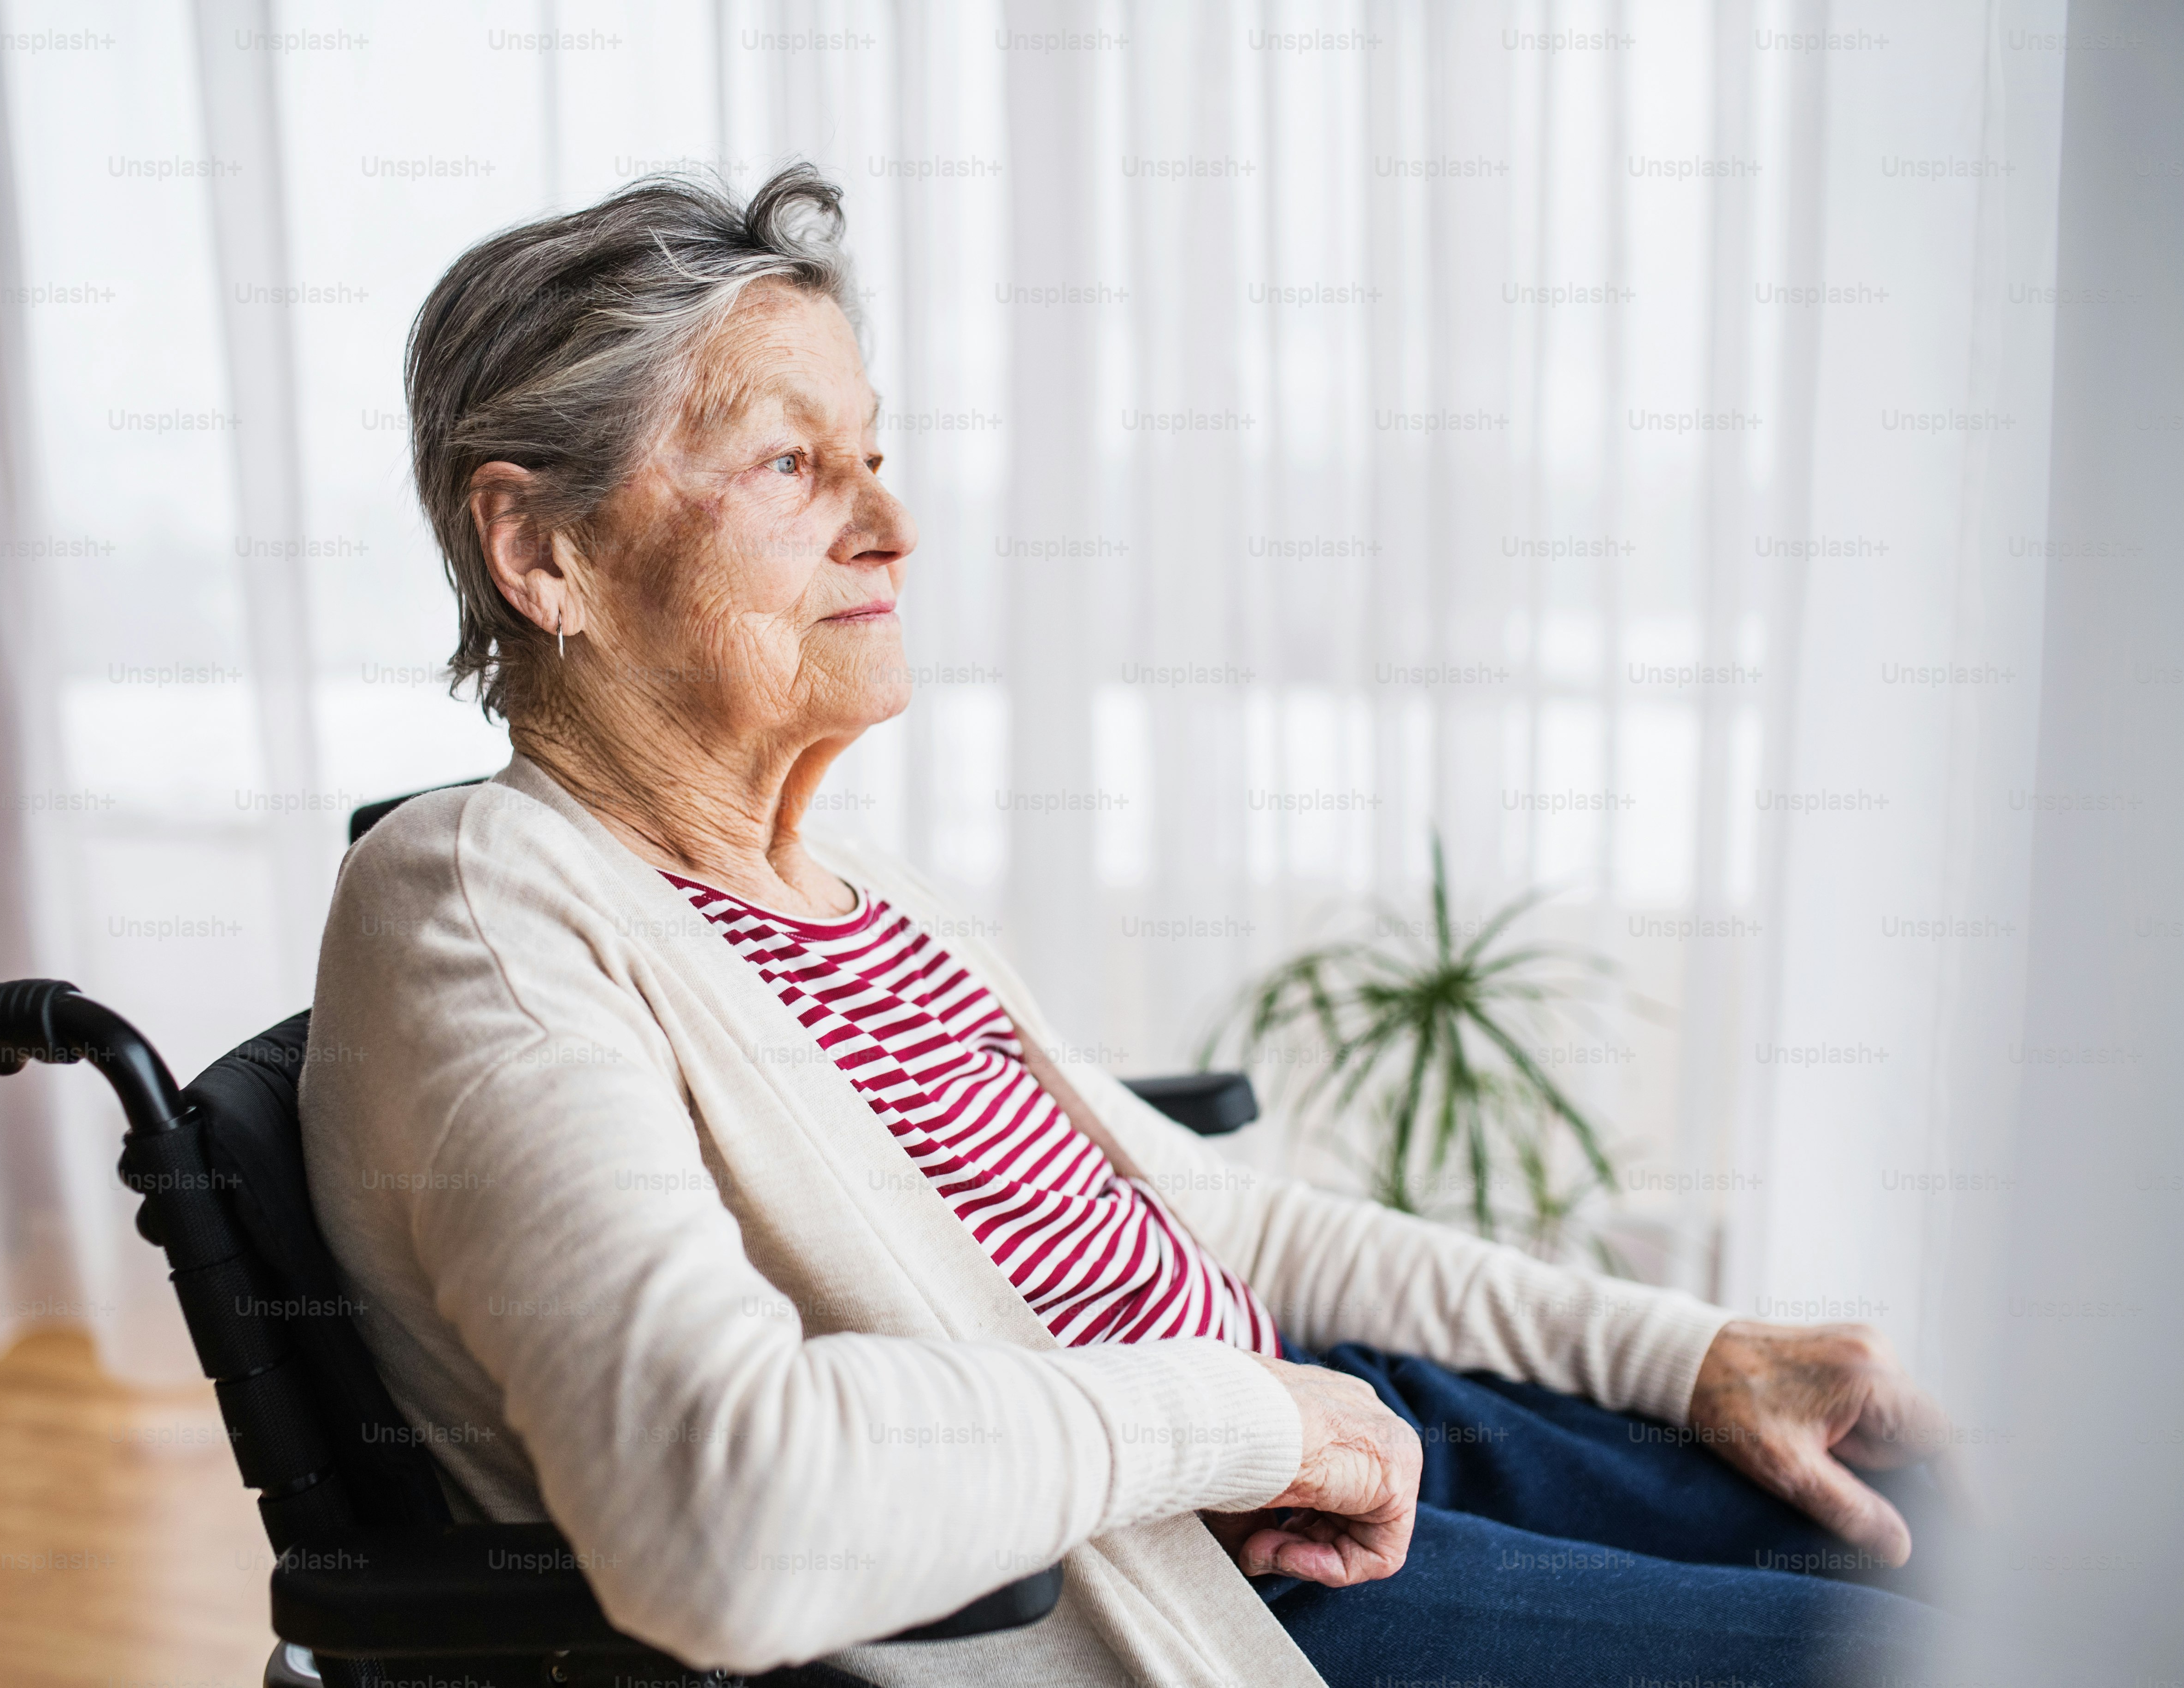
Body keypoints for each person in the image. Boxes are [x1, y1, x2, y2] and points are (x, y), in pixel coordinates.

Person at [300, 165, 1952, 1688]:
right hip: (1189, 1593)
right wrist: (1246, 1422)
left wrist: (1696, 1355)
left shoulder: (841, 888)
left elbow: (1225, 1224)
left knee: (1964, 1547)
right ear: (541, 547)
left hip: (1289, 1440)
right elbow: (719, 1513)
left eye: (872, 452)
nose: (891, 524)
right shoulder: (482, 905)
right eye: (791, 464)